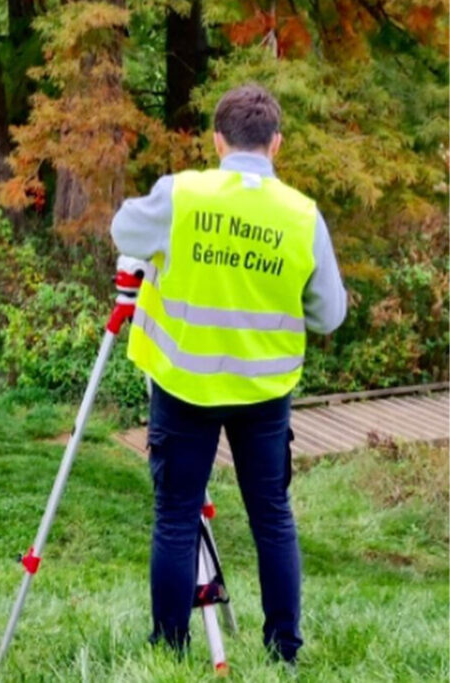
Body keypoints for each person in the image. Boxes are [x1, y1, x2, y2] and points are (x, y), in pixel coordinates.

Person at [110, 84, 347, 665]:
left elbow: (124, 234)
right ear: (277, 144)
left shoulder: (183, 195)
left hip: (184, 382)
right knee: (271, 518)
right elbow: (329, 313)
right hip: (263, 393)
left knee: (175, 516)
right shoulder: (301, 215)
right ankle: (283, 651)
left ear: (217, 140)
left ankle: (169, 649)